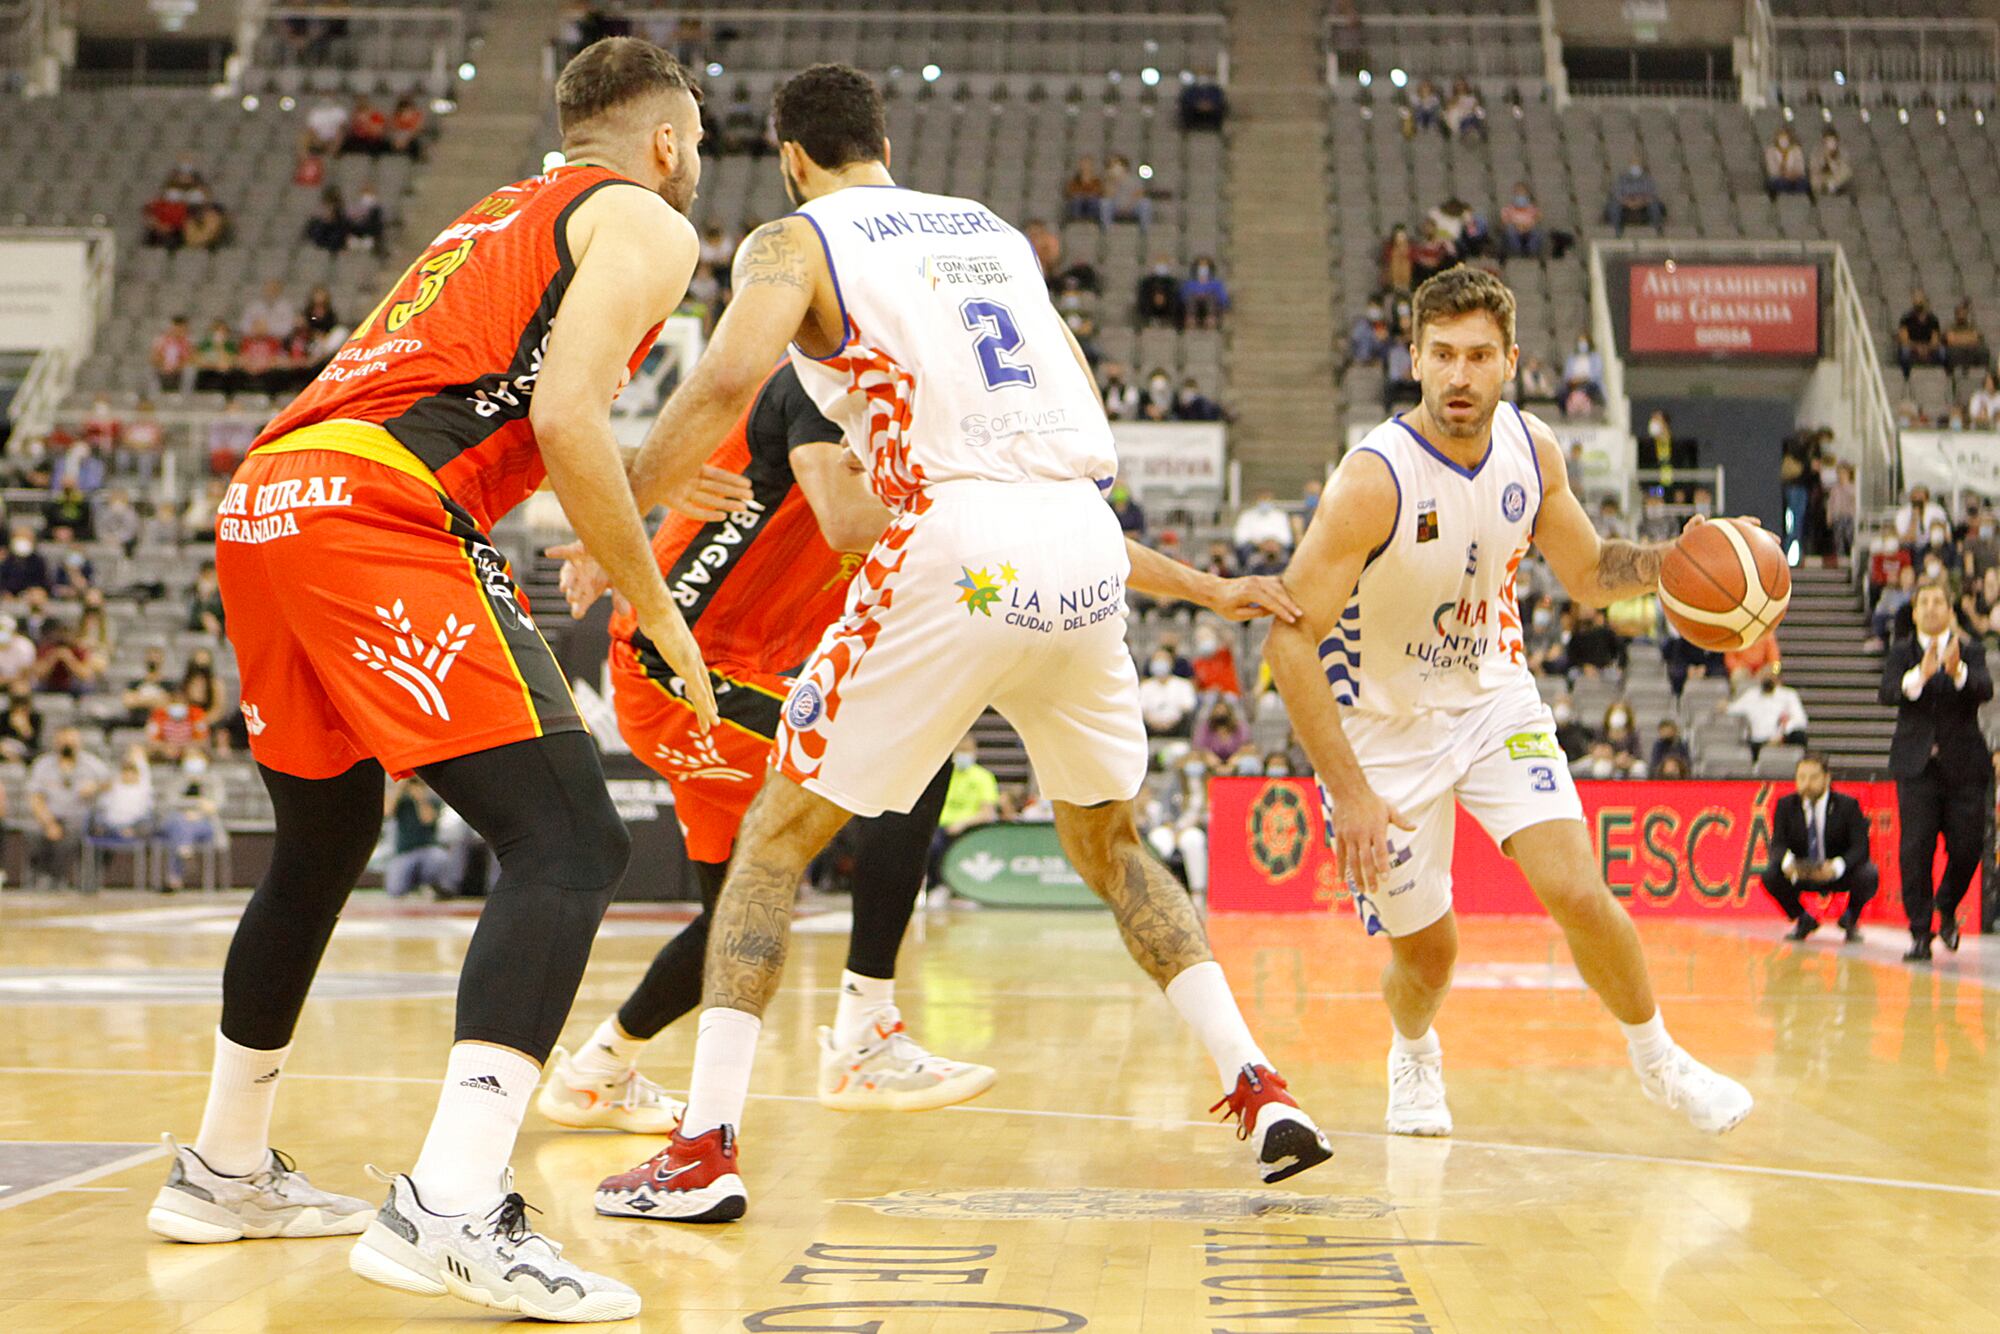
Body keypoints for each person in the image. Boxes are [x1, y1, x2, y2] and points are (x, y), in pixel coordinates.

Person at [588, 62, 1332, 1225]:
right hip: (1080, 542)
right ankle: (1257, 1082)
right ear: (884, 142)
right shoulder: (990, 235)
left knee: (773, 841)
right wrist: (1196, 582)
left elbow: (728, 375)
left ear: (790, 158)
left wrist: (620, 499)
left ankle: (703, 1147)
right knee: (1112, 845)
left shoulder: (793, 239)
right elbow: (1064, 418)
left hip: (953, 541)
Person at [149, 38, 724, 1323]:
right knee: (569, 840)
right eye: (694, 147)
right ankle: (451, 1206)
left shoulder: (498, 210)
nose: (694, 168)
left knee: (323, 839)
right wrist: (653, 602)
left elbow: (513, 402)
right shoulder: (644, 217)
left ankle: (223, 1168)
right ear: (666, 142)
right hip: (379, 505)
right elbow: (566, 417)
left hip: (271, 494)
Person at [1264, 265, 1754, 1143]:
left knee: (1577, 890)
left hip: (1494, 697)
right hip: (1385, 729)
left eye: (1479, 356)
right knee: (1430, 956)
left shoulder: (1535, 451)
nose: (1460, 375)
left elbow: (1589, 572)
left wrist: (1671, 562)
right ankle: (1414, 1052)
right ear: (1414, 358)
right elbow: (1288, 641)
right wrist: (1350, 791)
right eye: (1443, 354)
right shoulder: (1373, 481)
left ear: (1511, 362)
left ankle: (1661, 1061)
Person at [1879, 578, 1992, 962]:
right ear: (1914, 612)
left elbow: (1984, 689)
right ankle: (1920, 932)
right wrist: (1920, 675)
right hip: (1917, 766)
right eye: (1923, 602)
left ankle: (1946, 903)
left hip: (1965, 766)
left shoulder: (1970, 650)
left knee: (1969, 847)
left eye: (1937, 602)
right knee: (1916, 851)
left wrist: (1957, 671)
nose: (1930, 608)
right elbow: (1887, 693)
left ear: (1949, 609)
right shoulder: (1901, 652)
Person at [1761, 754, 1878, 943]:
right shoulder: (1785, 805)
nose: (1806, 784)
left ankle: (1850, 918)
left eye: (1813, 777)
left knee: (1869, 874)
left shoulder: (1848, 805)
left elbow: (1860, 848)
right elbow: (1777, 844)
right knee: (1770, 875)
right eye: (1801, 777)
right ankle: (1803, 919)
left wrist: (1836, 866)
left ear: (1827, 778)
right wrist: (1789, 863)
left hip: (1836, 870)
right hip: (1802, 870)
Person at [27, 727, 111, 890]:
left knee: (75, 833)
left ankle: (56, 878)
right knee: (36, 833)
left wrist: (96, 787)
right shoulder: (43, 765)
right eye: (63, 741)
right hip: (51, 816)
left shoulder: (91, 764)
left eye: (71, 742)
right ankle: (45, 877)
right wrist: (49, 823)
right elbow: (36, 798)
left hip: (80, 817)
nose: (67, 745)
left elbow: (110, 782)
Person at [159, 751, 227, 892]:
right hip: (177, 820)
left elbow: (216, 805)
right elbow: (169, 802)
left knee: (181, 830)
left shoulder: (214, 781)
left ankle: (174, 877)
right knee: (179, 823)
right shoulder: (176, 780)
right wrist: (190, 808)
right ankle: (185, 850)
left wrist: (198, 813)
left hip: (204, 823)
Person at [383, 778, 453, 898]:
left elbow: (427, 820)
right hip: (404, 852)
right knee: (395, 890)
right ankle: (411, 889)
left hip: (427, 849)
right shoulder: (401, 801)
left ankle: (434, 886)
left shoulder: (433, 799)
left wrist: (420, 799)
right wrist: (400, 787)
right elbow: (387, 812)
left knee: (439, 858)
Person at [1726, 665, 1808, 758]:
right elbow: (1733, 708)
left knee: (1799, 736)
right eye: (1765, 675)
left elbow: (1800, 720)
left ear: (1777, 678)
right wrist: (1725, 706)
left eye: (1770, 675)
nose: (1767, 678)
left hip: (1780, 739)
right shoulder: (1751, 695)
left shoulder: (1788, 695)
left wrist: (1782, 734)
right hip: (1757, 741)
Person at [1604, 161, 1665, 235]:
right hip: (1625, 204)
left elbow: (1652, 195)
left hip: (1643, 204)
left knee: (1655, 205)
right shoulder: (1621, 180)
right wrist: (1627, 202)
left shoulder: (1647, 180)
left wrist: (1641, 201)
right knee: (1613, 206)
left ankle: (1657, 228)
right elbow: (1617, 194)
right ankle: (1617, 229)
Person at [1896, 290, 1945, 379]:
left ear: (1925, 301)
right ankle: (1906, 376)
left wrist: (1926, 348)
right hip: (1911, 347)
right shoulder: (1906, 318)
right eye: (1916, 300)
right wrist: (1917, 347)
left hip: (1928, 347)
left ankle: (1941, 375)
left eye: (1920, 299)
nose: (1918, 302)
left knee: (1942, 351)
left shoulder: (1933, 319)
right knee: (1904, 351)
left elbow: (1935, 340)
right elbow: (1904, 340)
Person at [1499, 183, 1544, 259]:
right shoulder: (1507, 209)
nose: (1520, 195)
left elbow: (1538, 219)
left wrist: (1528, 226)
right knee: (1510, 231)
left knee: (1537, 232)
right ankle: (1517, 255)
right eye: (1518, 193)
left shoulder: (1532, 208)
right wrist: (1517, 226)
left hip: (1529, 229)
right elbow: (1504, 222)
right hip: (1514, 229)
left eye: (1522, 193)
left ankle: (1531, 254)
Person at [1764, 127, 1809, 199]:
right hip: (1778, 177)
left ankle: (1800, 201)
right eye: (1781, 137)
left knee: (1803, 183)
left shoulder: (1796, 150)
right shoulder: (1770, 151)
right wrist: (1785, 175)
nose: (1783, 140)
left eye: (1785, 137)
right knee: (1780, 183)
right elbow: (1772, 170)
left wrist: (1793, 175)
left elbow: (1801, 168)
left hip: (1795, 176)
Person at [1810, 131, 1851, 197]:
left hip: (1835, 177)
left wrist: (1829, 159)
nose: (1830, 144)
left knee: (1846, 170)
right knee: (1814, 179)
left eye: (1833, 141)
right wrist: (1824, 157)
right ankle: (1823, 188)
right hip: (1822, 177)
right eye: (1828, 141)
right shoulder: (1817, 152)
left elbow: (1838, 170)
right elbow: (1814, 168)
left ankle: (1831, 187)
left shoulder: (1842, 152)